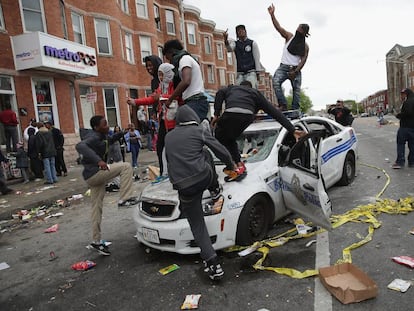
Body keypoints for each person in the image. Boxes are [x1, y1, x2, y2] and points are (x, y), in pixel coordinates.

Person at [165, 105, 237, 281]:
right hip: (202, 178)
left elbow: (170, 160)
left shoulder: (168, 136)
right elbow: (219, 149)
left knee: (197, 225)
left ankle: (213, 264)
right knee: (205, 153)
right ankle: (214, 188)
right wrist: (231, 165)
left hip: (183, 186)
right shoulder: (198, 130)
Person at [212, 81, 305, 179]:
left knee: (219, 136)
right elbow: (274, 112)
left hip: (230, 113)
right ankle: (239, 165)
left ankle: (232, 165)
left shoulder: (232, 88)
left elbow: (220, 92)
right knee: (231, 138)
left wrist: (216, 114)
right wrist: (292, 130)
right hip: (247, 116)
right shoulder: (256, 93)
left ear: (241, 86)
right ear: (251, 87)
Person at [76, 116, 139, 255]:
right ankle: (124, 198)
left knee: (96, 209)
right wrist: (98, 161)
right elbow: (80, 146)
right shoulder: (93, 136)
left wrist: (123, 132)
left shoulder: (103, 136)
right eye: (104, 124)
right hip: (95, 173)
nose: (107, 125)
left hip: (93, 177)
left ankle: (96, 241)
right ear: (96, 127)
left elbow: (110, 139)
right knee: (126, 167)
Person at [127, 63, 182, 177]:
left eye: (162, 75)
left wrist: (162, 97)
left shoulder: (175, 84)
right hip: (163, 121)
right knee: (160, 146)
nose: (161, 78)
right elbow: (152, 98)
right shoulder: (161, 86)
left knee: (174, 147)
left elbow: (178, 97)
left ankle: (176, 171)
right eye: (159, 75)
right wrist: (135, 102)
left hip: (174, 122)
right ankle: (163, 172)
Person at [268, 3, 310, 111]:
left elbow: (303, 60)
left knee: (296, 90)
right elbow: (278, 28)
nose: (298, 30)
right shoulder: (289, 37)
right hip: (283, 67)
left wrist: (295, 71)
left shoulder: (305, 47)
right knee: (275, 82)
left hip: (295, 69)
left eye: (300, 30)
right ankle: (283, 104)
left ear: (304, 33)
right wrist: (272, 15)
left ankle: (295, 109)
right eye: (298, 28)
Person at [162, 39, 209, 121]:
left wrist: (170, 99)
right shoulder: (186, 59)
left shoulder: (185, 59)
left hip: (195, 101)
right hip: (193, 101)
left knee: (191, 130)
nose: (170, 62)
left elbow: (186, 81)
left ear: (171, 52)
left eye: (168, 58)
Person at [392, 88, 414, 169]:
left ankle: (400, 162)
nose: (402, 96)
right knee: (412, 145)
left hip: (405, 127)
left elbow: (407, 113)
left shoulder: (407, 102)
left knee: (400, 144)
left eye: (403, 94)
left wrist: (398, 115)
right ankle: (412, 162)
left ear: (406, 94)